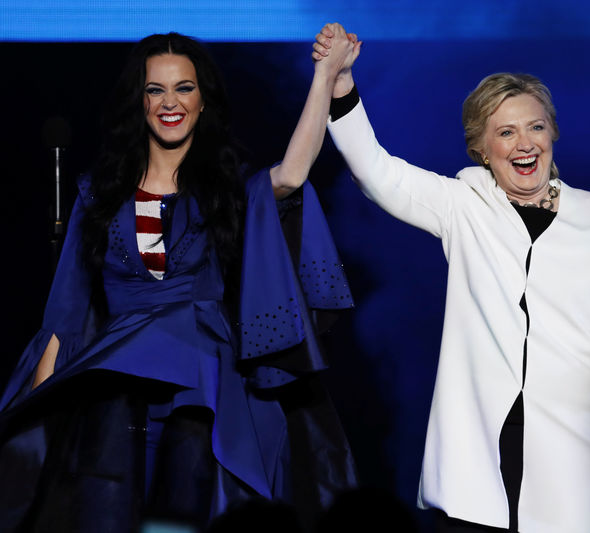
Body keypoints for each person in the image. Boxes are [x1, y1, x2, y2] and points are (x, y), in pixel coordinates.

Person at [313, 24, 590, 533]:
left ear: (552, 134)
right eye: (506, 132)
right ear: (481, 147)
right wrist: (340, 84)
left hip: (577, 436)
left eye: (535, 127)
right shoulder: (463, 204)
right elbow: (377, 172)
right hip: (483, 445)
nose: (525, 144)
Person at [0, 28, 360, 532]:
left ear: (204, 101)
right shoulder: (98, 194)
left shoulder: (228, 191)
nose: (170, 102)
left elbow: (292, 176)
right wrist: (38, 417)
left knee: (191, 506)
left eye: (184, 88)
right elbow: (65, 315)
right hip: (117, 381)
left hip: (204, 382)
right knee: (102, 502)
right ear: (139, 103)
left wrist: (325, 76)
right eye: (155, 90)